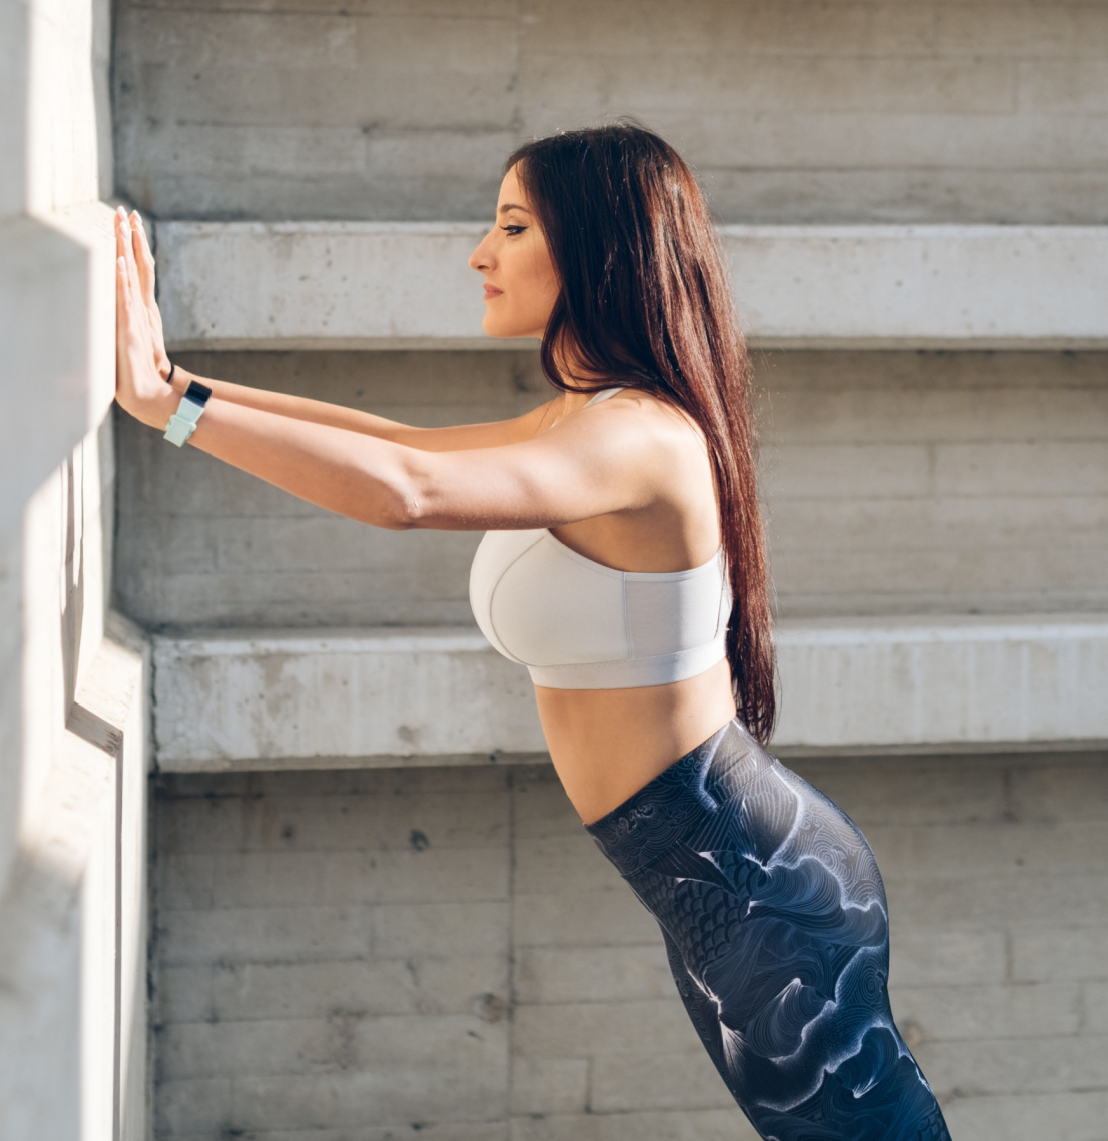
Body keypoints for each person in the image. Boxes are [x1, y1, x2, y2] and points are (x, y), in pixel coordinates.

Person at [114, 123, 951, 1141]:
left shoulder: (636, 438)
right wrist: (173, 388)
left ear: (600, 252)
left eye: (512, 226)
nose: (480, 252)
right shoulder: (591, 416)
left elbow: (407, 492)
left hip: (759, 884)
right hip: (718, 880)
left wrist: (170, 409)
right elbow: (399, 444)